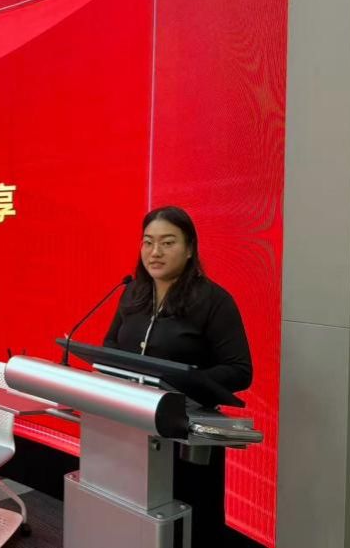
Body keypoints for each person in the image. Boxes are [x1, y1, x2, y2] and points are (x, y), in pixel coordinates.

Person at [103, 205, 253, 547]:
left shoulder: (213, 300)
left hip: (187, 431)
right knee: (137, 517)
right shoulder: (133, 292)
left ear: (189, 249)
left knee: (189, 526)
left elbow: (240, 371)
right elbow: (110, 345)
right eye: (148, 242)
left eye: (168, 242)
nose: (155, 252)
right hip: (134, 424)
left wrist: (182, 381)